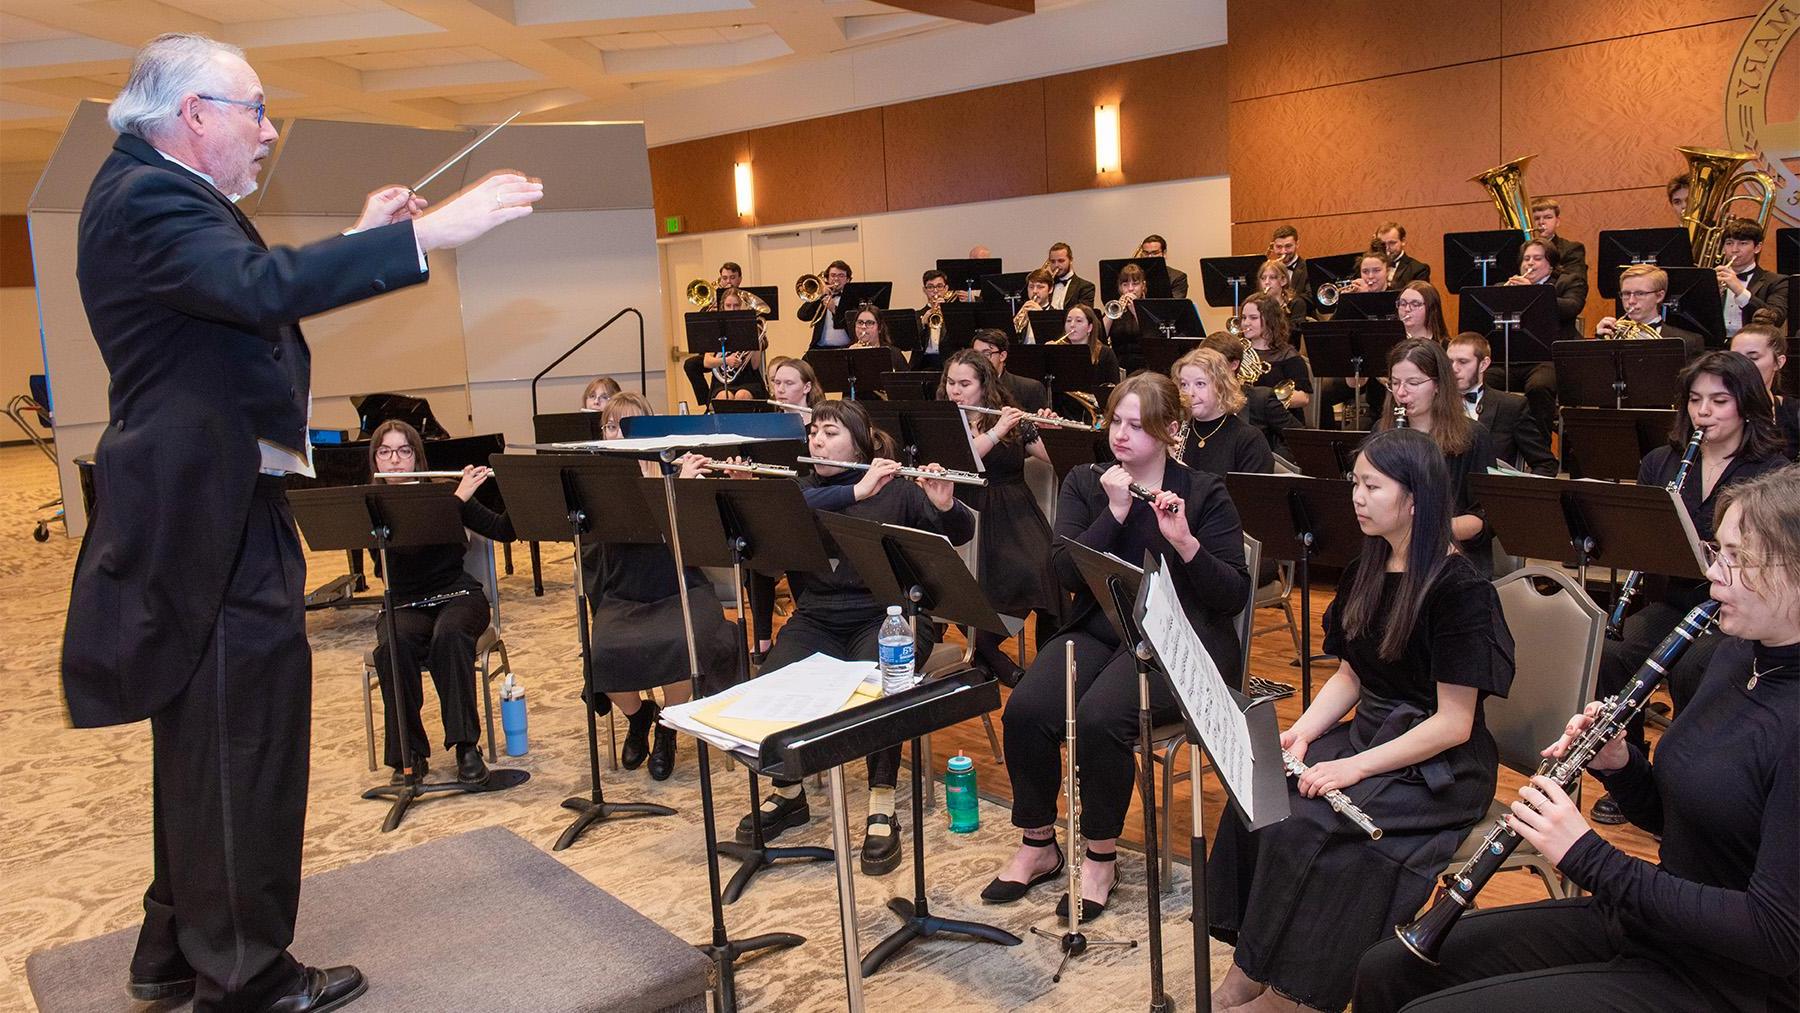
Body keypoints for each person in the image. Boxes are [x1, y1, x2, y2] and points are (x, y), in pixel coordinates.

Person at [61, 31, 541, 1011]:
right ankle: (244, 974)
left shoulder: (151, 194)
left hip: (202, 497)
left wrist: (367, 228)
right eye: (256, 110)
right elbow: (257, 290)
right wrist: (423, 237)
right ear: (195, 114)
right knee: (246, 741)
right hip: (214, 509)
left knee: (204, 738)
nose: (269, 130)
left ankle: (171, 949)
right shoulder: (151, 196)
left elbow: (240, 300)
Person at [1354, 464, 1799, 1013]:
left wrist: (1585, 854)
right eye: (1717, 551)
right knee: (1388, 970)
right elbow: (1685, 819)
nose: (1714, 577)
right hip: (1656, 925)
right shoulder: (1734, 654)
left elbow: (1774, 936)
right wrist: (1620, 764)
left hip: (1734, 980)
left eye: (1739, 559)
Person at [1208, 428, 1516, 1013]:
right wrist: (1305, 730)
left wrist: (1351, 766)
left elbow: (1453, 723)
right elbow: (1352, 675)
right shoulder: (1366, 567)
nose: (1357, 496)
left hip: (1440, 764)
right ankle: (1250, 967)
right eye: (1356, 483)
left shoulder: (1460, 590)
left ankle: (1295, 995)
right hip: (1372, 734)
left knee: (1314, 830)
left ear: (1416, 499)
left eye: (1372, 486)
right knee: (1260, 796)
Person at [986, 374, 1248, 920]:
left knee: (1101, 718)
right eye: (1115, 422)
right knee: (1029, 707)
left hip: (1181, 642)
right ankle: (1039, 844)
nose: (1121, 436)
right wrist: (1116, 513)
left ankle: (1100, 856)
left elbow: (1231, 595)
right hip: (1101, 626)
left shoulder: (1203, 492)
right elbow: (1062, 570)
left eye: (1137, 425)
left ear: (1170, 430)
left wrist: (1185, 541)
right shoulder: (1087, 481)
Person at [734, 400, 974, 875]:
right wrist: (753, 506)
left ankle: (881, 802)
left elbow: (958, 534)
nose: (819, 442)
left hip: (891, 616)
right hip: (819, 617)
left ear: (859, 444)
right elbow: (769, 554)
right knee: (771, 685)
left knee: (879, 688)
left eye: (831, 434)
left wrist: (944, 504)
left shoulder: (898, 489)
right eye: (814, 434)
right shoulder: (799, 492)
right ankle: (789, 794)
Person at [1589, 351, 1788, 824]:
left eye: (1719, 401)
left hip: (1738, 605)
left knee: (1697, 666)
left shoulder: (1771, 470)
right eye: (1696, 400)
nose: (1705, 412)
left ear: (1745, 405)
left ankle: (1692, 785)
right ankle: (1629, 768)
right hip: (1677, 599)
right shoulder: (1663, 462)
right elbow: (1638, 536)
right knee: (1614, 653)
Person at [584, 393, 740, 780]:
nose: (619, 433)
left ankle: (668, 726)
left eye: (630, 425)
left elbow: (701, 539)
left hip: (682, 589)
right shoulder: (596, 483)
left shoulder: (672, 469)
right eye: (611, 425)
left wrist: (684, 492)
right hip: (625, 593)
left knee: (681, 642)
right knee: (602, 652)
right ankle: (640, 718)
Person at [368, 421, 514, 786]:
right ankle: (409, 755)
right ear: (375, 458)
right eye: (385, 452)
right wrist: (457, 501)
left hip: (457, 595)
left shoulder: (445, 492)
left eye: (404, 451)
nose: (395, 461)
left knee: (449, 636)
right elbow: (404, 553)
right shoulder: (371, 505)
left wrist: (514, 484)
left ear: (417, 457)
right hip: (403, 602)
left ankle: (466, 746)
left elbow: (503, 529)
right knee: (393, 647)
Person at [940, 348, 1059, 687]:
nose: (955, 391)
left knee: (1044, 571)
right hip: (965, 512)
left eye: (965, 383)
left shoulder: (1010, 421)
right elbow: (961, 460)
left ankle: (1044, 671)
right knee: (965, 586)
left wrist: (1048, 429)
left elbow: (1053, 458)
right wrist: (995, 433)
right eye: (951, 382)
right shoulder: (944, 420)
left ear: (984, 386)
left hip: (1014, 511)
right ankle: (996, 660)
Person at [1377, 338, 1496, 575]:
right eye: (1395, 383)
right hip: (1392, 557)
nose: (1401, 393)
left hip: (1455, 560)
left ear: (1439, 384)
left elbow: (1484, 518)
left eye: (1413, 383)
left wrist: (1425, 529)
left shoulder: (1473, 436)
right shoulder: (1382, 433)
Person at [744, 357, 826, 658]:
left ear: (807, 387)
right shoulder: (768, 424)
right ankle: (763, 640)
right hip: (776, 507)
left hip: (810, 511)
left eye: (788, 383)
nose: (780, 389)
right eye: (777, 383)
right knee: (751, 549)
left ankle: (809, 625)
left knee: (795, 549)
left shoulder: (819, 426)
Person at [1496, 238, 1583, 440]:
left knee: (1538, 387)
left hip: (1547, 359)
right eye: (1526, 259)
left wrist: (1533, 292)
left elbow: (1572, 307)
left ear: (1551, 265)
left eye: (1537, 258)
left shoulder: (1566, 283)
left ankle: (1539, 446)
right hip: (1513, 359)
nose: (1530, 263)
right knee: (1480, 380)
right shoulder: (1504, 286)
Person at [1447, 332, 1556, 475]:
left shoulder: (1512, 407)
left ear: (1483, 364)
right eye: (1449, 362)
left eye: (1463, 362)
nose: (1454, 369)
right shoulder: (1433, 403)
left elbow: (1546, 464)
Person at [1172, 346, 1272, 477]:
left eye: (1200, 384)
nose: (1189, 393)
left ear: (1221, 387)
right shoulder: (1177, 432)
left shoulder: (1249, 439)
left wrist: (1189, 476)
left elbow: (1250, 495)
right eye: (1184, 385)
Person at [1202, 332, 1293, 457]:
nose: (1206, 370)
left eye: (1215, 365)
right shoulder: (1196, 402)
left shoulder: (1261, 400)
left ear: (1234, 365)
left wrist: (1266, 462)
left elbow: (1300, 438)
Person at [1596, 264, 1705, 360]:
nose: (1631, 301)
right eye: (1626, 293)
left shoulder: (1688, 342)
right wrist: (1599, 343)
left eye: (1640, 293)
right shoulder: (1609, 336)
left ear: (1659, 296)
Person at [1240, 291, 1311, 426]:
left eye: (1253, 318)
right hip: (1247, 422)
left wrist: (1264, 401)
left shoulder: (1288, 355)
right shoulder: (1237, 352)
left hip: (1279, 424)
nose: (1246, 323)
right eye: (1244, 317)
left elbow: (1303, 398)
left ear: (1270, 320)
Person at [1731, 323, 1800, 458]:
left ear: (1778, 362)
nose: (1742, 365)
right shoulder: (1715, 410)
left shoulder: (1794, 412)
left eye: (1753, 358)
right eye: (1735, 358)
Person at [1716, 218, 1790, 336]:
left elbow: (1776, 319)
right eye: (1729, 243)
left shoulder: (1777, 281)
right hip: (1714, 348)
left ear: (1757, 248)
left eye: (1743, 243)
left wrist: (1739, 290)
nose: (1734, 250)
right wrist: (1709, 295)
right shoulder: (1713, 278)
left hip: (1753, 347)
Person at [972, 328, 1049, 412]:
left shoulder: (1030, 389)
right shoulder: (968, 387)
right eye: (976, 354)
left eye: (987, 354)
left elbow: (1038, 425)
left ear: (1002, 356)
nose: (979, 359)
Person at [1530, 196, 1588, 287]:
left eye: (1548, 217)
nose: (1541, 222)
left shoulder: (1572, 249)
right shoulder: (1521, 250)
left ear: (1557, 222)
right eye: (1536, 218)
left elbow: (1575, 283)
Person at [1103, 262, 1150, 372]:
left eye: (1135, 284)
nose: (1130, 289)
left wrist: (1135, 310)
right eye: (1125, 285)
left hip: (1144, 365)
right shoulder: (1115, 307)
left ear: (1143, 285)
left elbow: (1151, 336)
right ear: (1120, 288)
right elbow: (1100, 335)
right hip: (1118, 365)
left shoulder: (1149, 309)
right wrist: (1111, 315)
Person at [801, 260, 853, 348]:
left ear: (847, 280)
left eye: (841, 276)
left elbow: (852, 326)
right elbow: (802, 315)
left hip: (845, 348)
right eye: (833, 275)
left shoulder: (853, 298)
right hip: (820, 348)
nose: (836, 279)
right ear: (827, 278)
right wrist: (819, 295)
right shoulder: (820, 297)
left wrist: (834, 309)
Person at [848, 302, 909, 372]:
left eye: (869, 323)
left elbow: (907, 381)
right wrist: (850, 356)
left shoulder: (893, 354)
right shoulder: (847, 352)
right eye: (860, 322)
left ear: (879, 328)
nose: (863, 327)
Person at [915, 268, 954, 370]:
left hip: (948, 363)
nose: (935, 291)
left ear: (946, 289)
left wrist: (946, 313)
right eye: (930, 287)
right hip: (923, 363)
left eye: (939, 286)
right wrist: (922, 323)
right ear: (924, 290)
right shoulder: (917, 315)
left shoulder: (954, 314)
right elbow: (909, 342)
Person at [1376, 221, 1432, 288]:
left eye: (1392, 243)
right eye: (1382, 244)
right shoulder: (1367, 268)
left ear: (1403, 241)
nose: (1387, 248)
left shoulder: (1419, 270)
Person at [1270, 224, 1309, 316]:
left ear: (1297, 244)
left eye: (1288, 246)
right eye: (1279, 247)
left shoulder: (1308, 268)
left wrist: (1285, 300)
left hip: (1299, 320)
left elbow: (1310, 299)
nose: (1283, 251)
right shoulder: (1268, 271)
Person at [1258, 257, 1309, 324]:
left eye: (1272, 278)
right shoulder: (1257, 305)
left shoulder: (1296, 304)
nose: (1266, 282)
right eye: (1263, 278)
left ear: (1283, 280)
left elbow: (1295, 331)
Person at [1138, 233, 1190, 299]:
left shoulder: (1178, 277)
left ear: (1164, 253)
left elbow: (1174, 306)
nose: (1149, 257)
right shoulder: (1134, 276)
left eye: (1155, 253)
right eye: (1146, 253)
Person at [1012, 266, 1056, 342]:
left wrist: (1040, 316)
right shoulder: (1022, 311)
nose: (1035, 291)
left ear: (1050, 289)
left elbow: (1053, 340)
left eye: (1040, 287)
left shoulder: (1055, 315)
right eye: (1031, 287)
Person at [1046, 241, 1096, 308]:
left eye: (1061, 261)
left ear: (1071, 260)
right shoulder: (1046, 286)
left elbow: (1083, 315)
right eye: (1052, 261)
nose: (1056, 265)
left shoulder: (1086, 287)